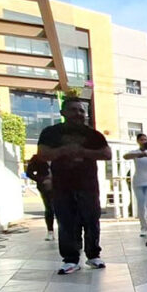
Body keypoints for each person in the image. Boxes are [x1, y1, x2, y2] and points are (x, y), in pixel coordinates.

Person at [36, 98, 111, 274]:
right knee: (66, 222)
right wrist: (62, 151)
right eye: (73, 110)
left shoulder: (93, 134)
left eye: (81, 111)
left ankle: (93, 255)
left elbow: (107, 154)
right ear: (63, 113)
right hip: (62, 186)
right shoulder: (51, 133)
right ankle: (70, 259)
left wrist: (83, 152)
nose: (78, 114)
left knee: (91, 220)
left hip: (88, 185)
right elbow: (42, 154)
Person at [123, 134, 147, 237]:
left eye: (145, 139)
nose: (144, 141)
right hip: (138, 182)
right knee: (141, 206)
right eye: (142, 139)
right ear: (138, 141)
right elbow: (125, 156)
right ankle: (143, 228)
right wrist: (137, 154)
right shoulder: (135, 152)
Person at [25, 154, 55, 241]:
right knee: (49, 208)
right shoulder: (37, 158)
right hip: (46, 186)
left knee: (63, 209)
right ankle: (50, 231)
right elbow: (29, 173)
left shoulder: (59, 154)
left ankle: (65, 231)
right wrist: (40, 179)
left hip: (60, 185)